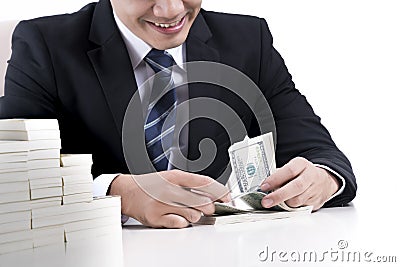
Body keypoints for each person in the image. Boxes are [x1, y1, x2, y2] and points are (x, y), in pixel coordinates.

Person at [0, 0, 357, 228]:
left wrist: (322, 178)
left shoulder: (249, 38)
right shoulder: (44, 44)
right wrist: (114, 192)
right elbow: (12, 171)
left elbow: (318, 150)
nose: (170, 10)